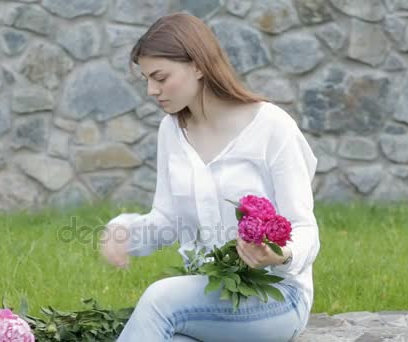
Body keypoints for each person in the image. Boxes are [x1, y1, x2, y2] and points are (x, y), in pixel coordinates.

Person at [100, 12, 319, 342]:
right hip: (211, 292)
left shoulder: (273, 127)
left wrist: (281, 254)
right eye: (146, 79)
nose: (151, 90)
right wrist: (124, 233)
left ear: (198, 66)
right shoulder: (171, 130)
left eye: (160, 77)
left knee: (160, 300)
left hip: (276, 298)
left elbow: (305, 228)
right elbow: (168, 221)